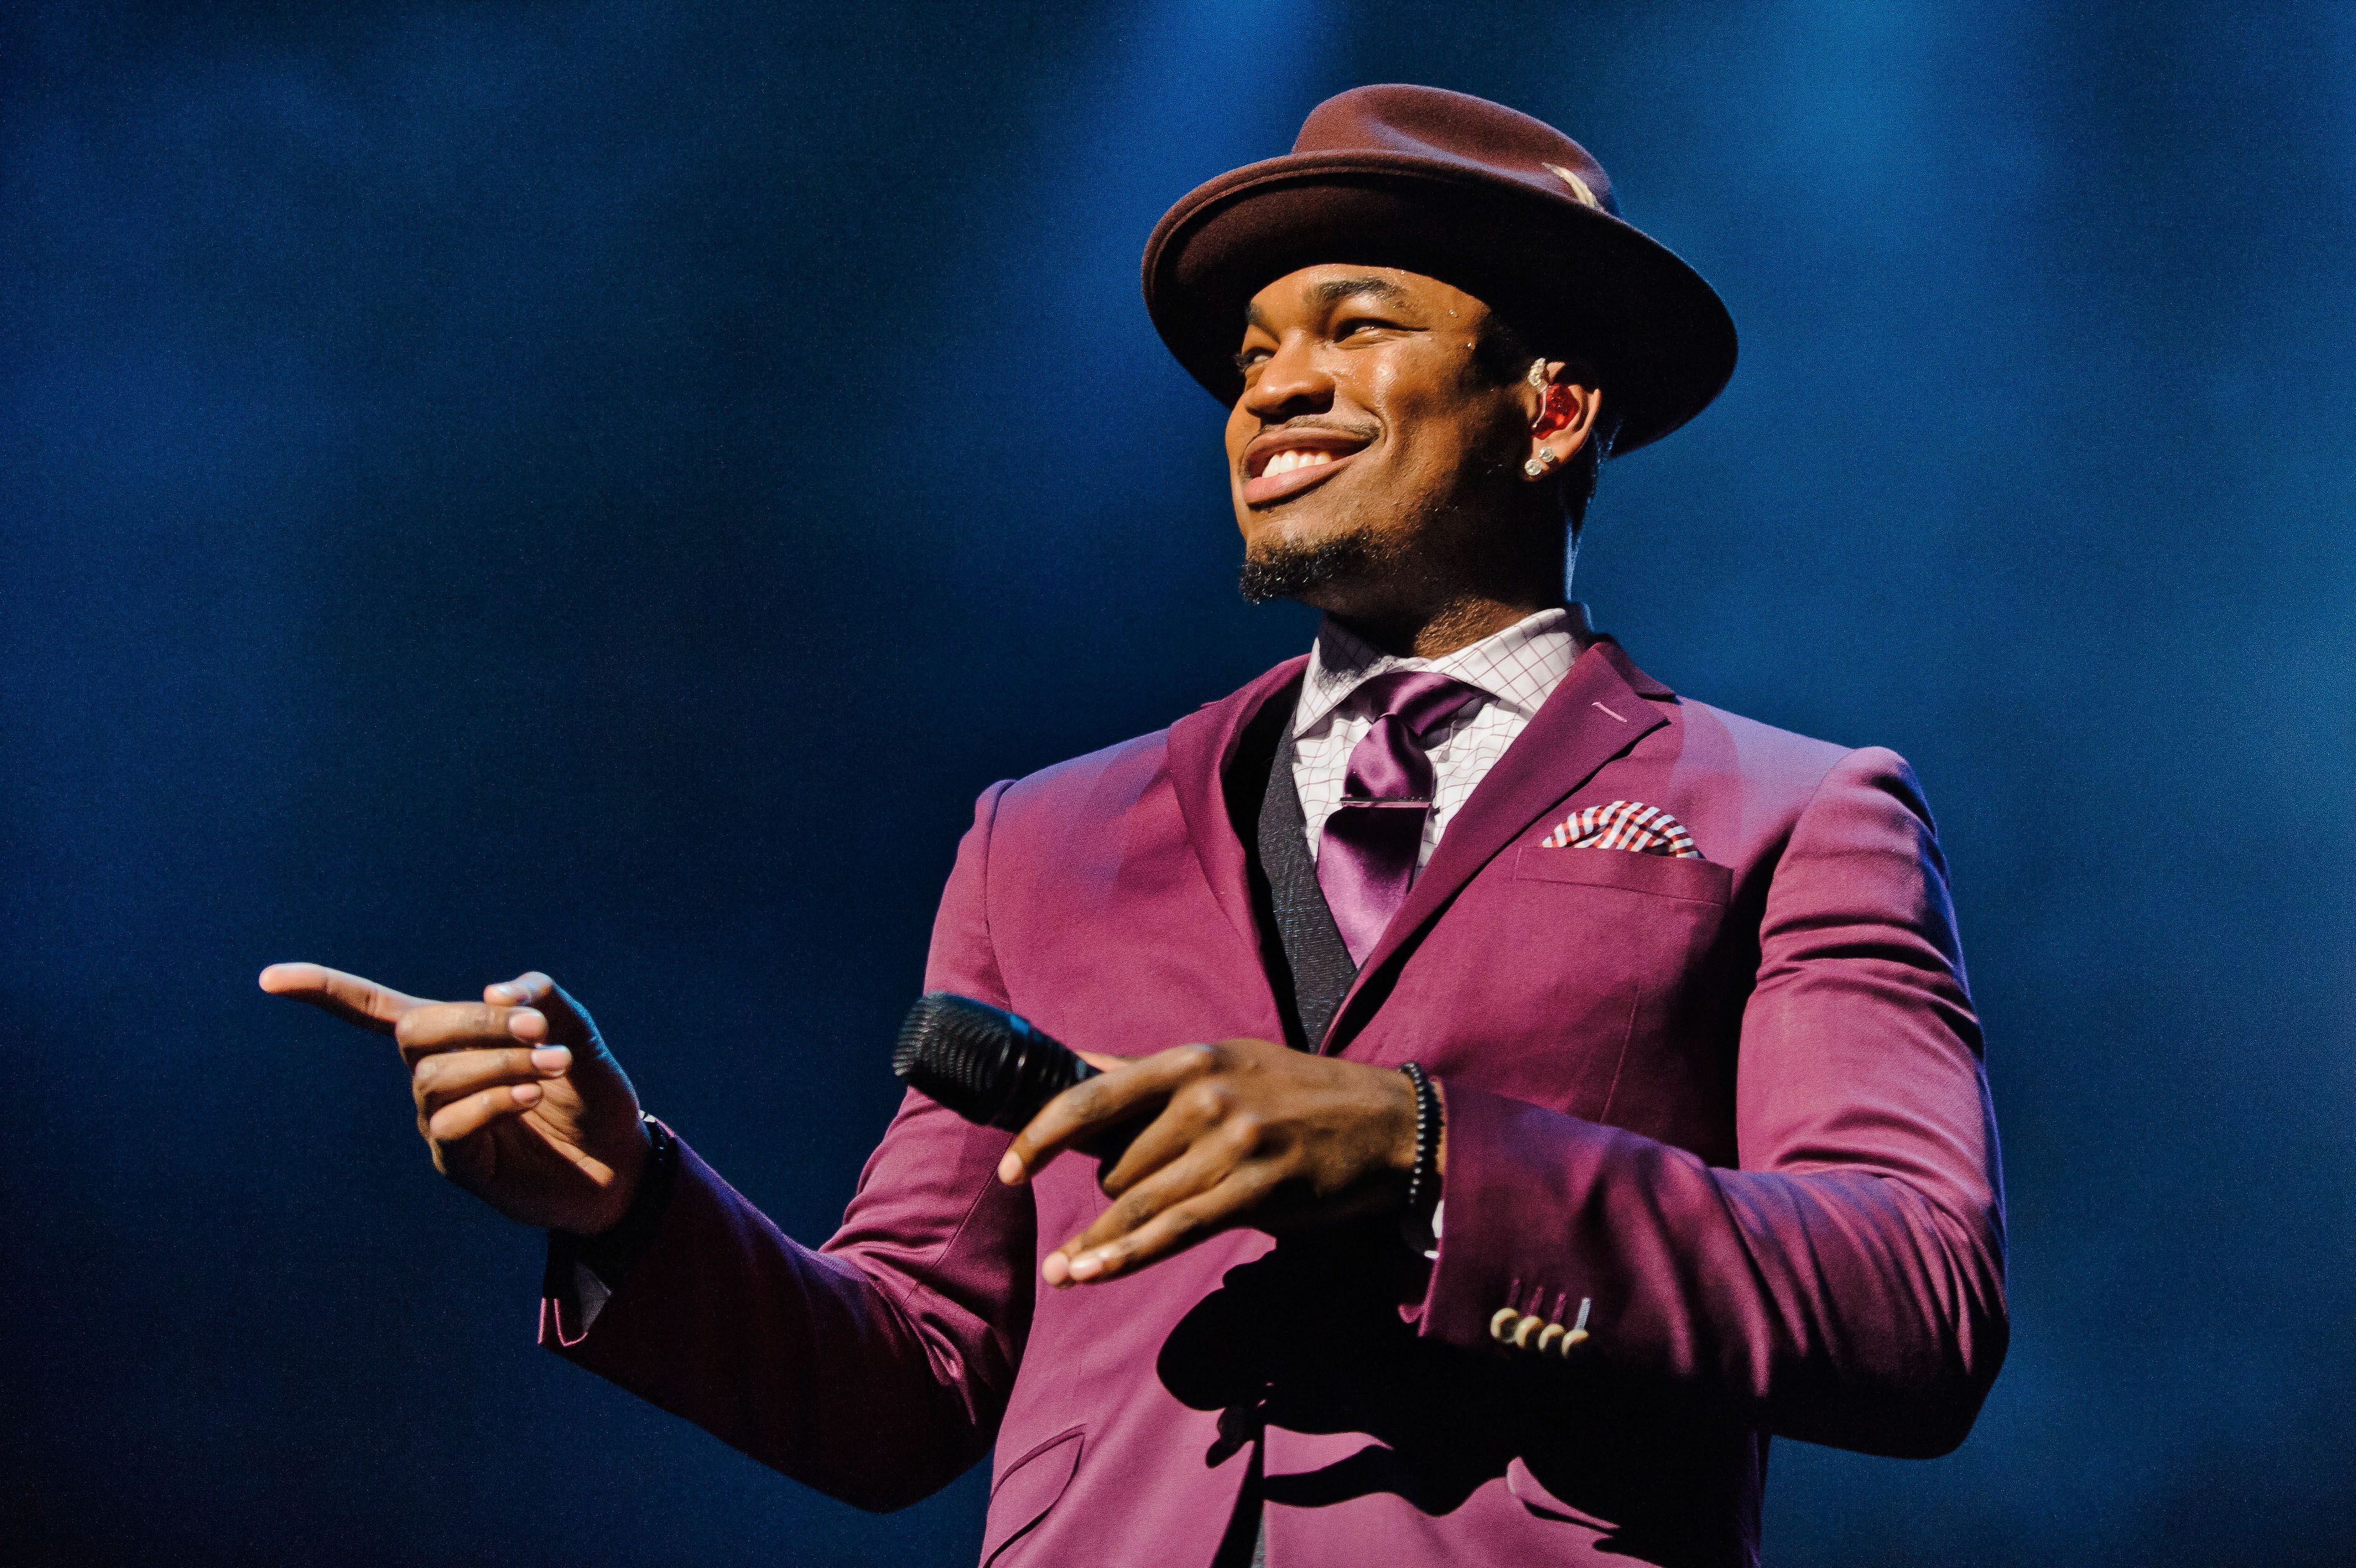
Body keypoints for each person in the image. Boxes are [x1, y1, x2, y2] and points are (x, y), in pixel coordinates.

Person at [262, 85, 2004, 1568]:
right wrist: (633, 1208)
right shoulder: (1045, 834)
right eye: (1253, 356)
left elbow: (1917, 1299)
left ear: (1551, 409)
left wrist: (1422, 1159)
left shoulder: (1788, 810)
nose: (1274, 388)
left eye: (1359, 325)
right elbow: (911, 1380)